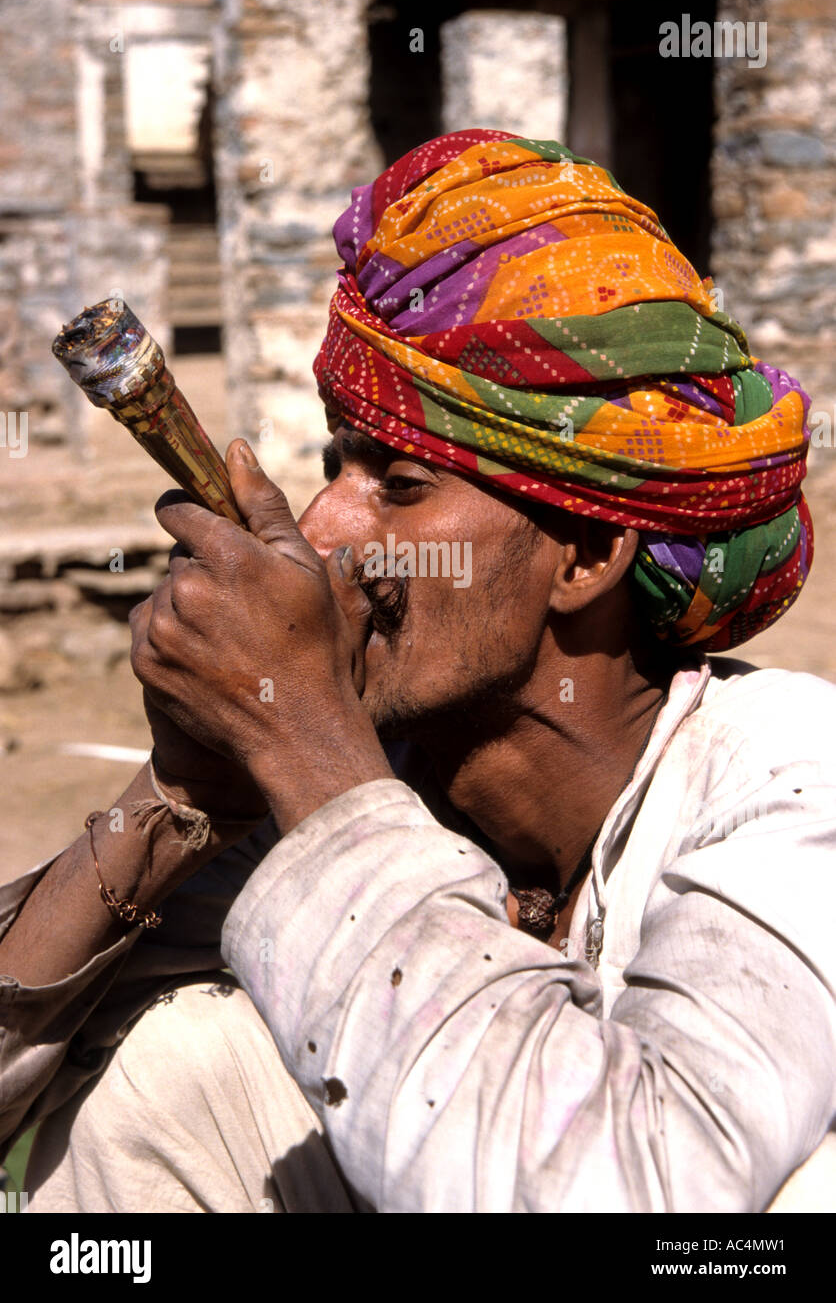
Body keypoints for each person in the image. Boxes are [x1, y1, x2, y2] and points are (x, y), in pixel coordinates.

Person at [0, 130, 834, 1214]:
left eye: (396, 484)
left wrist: (308, 746)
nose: (322, 530)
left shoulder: (788, 780)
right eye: (330, 467)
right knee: (182, 1074)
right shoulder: (369, 779)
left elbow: (625, 1187)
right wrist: (185, 790)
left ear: (582, 555)